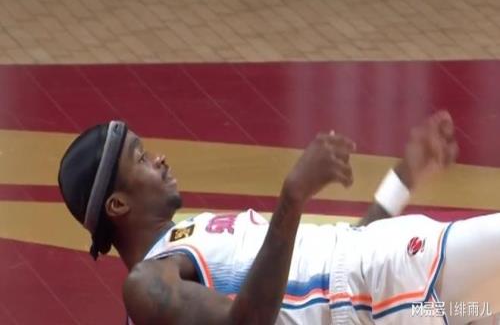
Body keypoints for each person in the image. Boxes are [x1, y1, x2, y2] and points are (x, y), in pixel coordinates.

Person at [58, 111, 499, 325]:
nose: (159, 159)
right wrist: (292, 195)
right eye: (141, 158)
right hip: (387, 283)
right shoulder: (145, 284)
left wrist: (401, 180)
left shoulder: (189, 237)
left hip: (389, 290)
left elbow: (328, 264)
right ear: (117, 205)